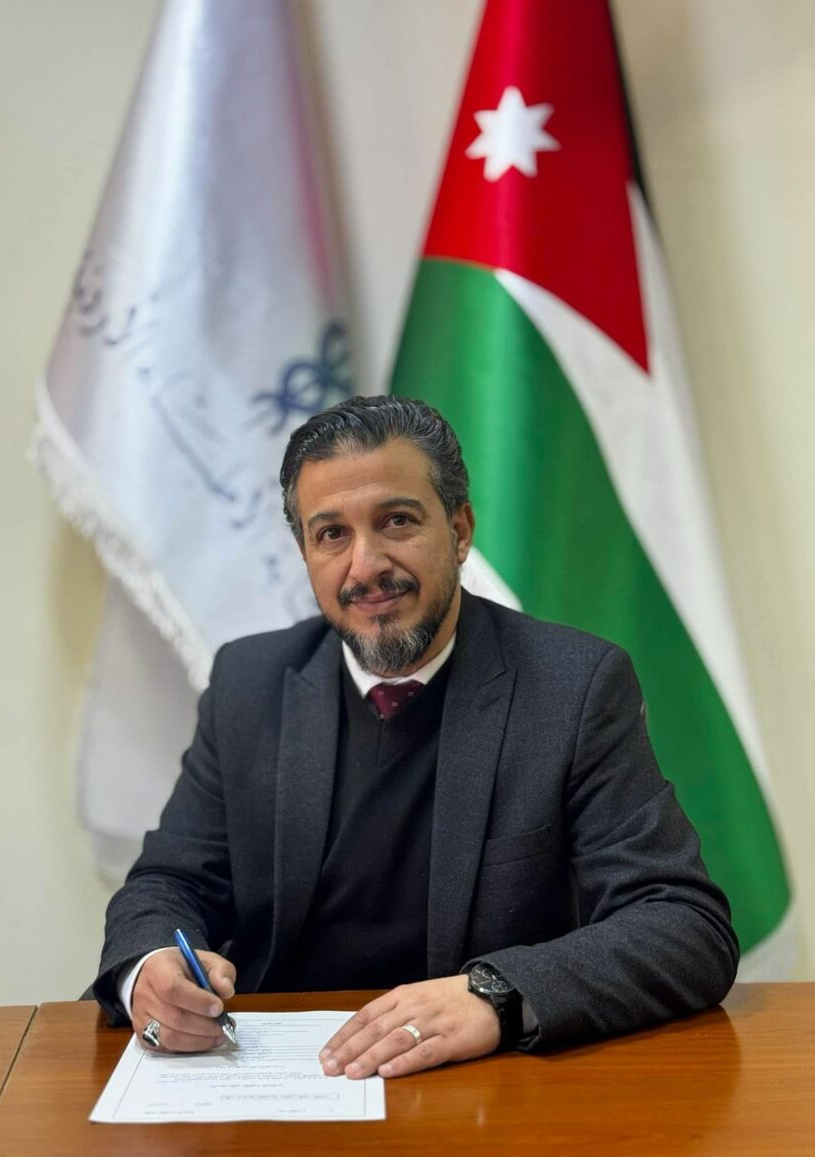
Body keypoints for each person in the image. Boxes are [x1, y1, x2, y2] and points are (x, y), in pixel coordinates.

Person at [92, 395, 738, 1079]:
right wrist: (150, 967)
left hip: (479, 1082)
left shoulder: (571, 687)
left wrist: (496, 995)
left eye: (396, 521)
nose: (365, 565)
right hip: (277, 1075)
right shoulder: (249, 684)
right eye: (331, 534)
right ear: (305, 552)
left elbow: (685, 924)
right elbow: (169, 881)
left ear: (459, 530)